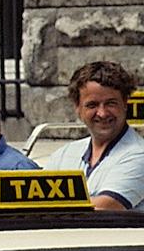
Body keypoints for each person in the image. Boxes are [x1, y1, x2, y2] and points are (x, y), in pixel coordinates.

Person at [43, 60, 144, 211]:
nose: (102, 113)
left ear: (125, 103)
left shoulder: (139, 155)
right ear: (77, 107)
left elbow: (106, 207)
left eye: (111, 103)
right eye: (92, 105)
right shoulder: (63, 155)